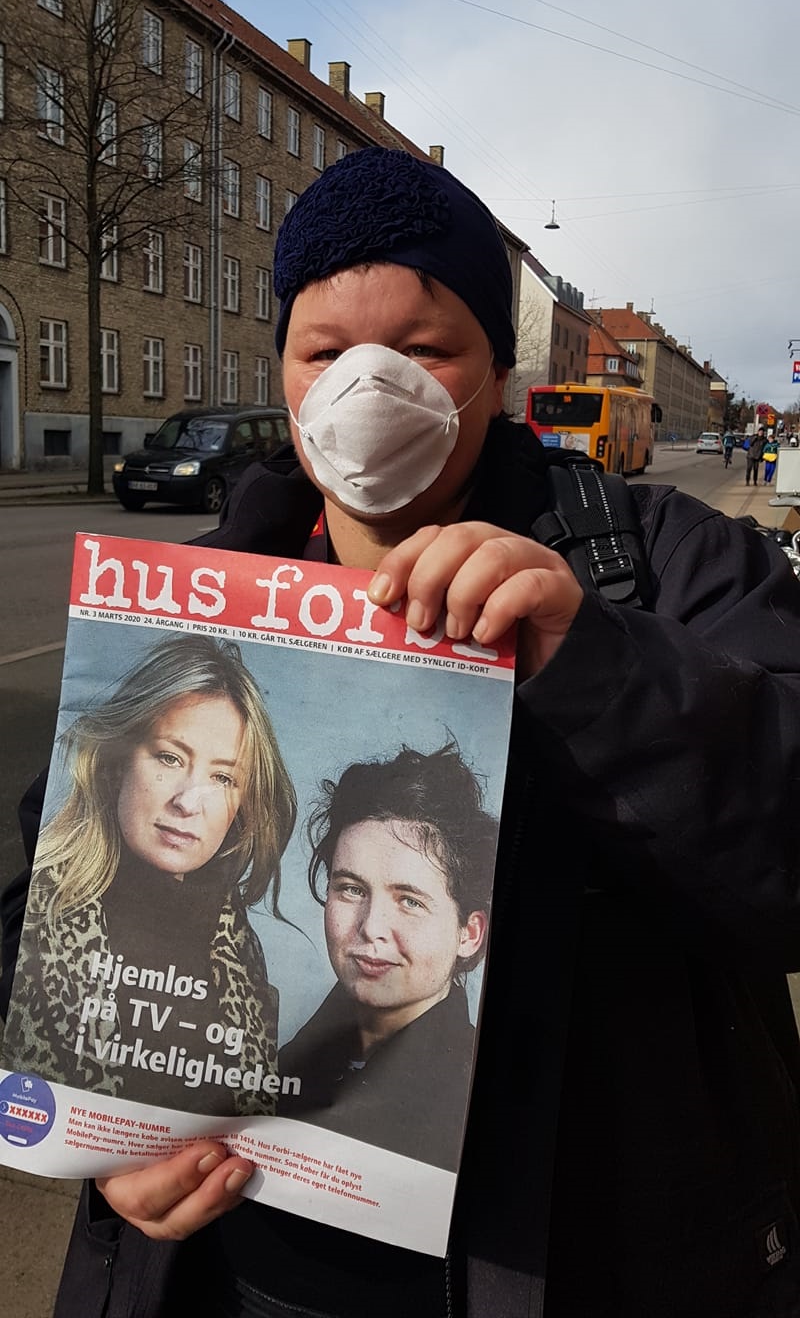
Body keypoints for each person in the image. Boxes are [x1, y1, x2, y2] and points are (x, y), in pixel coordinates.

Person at [4, 146, 800, 1318]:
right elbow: (47, 901)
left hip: (579, 1262)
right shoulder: (194, 604)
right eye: (324, 350)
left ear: (490, 369)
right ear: (281, 370)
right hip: (233, 1276)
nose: (365, 384)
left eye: (422, 348)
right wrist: (102, 1140)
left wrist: (598, 664)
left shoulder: (660, 566)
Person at [1, 634, 296, 1117]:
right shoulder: (44, 915)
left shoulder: (240, 949)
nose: (188, 801)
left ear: (242, 803)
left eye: (222, 777)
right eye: (170, 758)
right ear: (116, 764)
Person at [279, 743, 494, 1170]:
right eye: (351, 889)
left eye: (410, 901)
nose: (371, 927)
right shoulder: (283, 1063)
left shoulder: (477, 1098)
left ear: (468, 934)